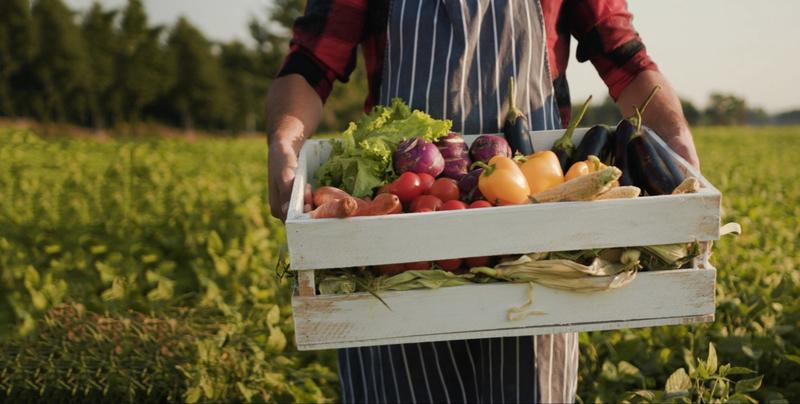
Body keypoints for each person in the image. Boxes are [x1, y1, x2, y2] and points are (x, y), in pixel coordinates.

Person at [267, 0, 700, 402]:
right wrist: (285, 140)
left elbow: (623, 55)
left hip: (536, 245)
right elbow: (311, 63)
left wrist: (677, 138)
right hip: (401, 236)